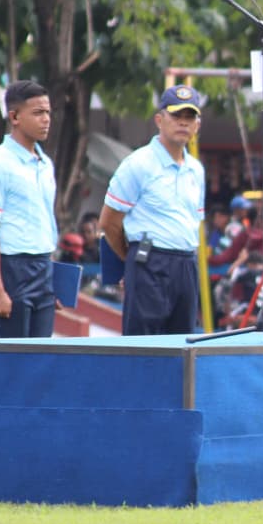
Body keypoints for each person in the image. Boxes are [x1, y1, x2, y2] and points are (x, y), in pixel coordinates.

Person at [99, 84, 206, 336]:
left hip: (186, 263)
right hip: (149, 259)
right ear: (159, 120)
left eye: (189, 117)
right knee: (143, 342)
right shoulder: (139, 163)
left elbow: (195, 221)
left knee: (183, 343)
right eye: (176, 115)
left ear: (197, 125)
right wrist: (130, 261)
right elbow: (109, 222)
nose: (183, 122)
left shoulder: (196, 169)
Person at [0, 80, 58, 337]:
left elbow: (46, 222)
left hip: (43, 268)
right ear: (14, 117)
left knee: (42, 355)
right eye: (38, 113)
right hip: (11, 269)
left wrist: (54, 279)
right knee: (11, 355)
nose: (46, 119)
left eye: (48, 112)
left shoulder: (45, 164)